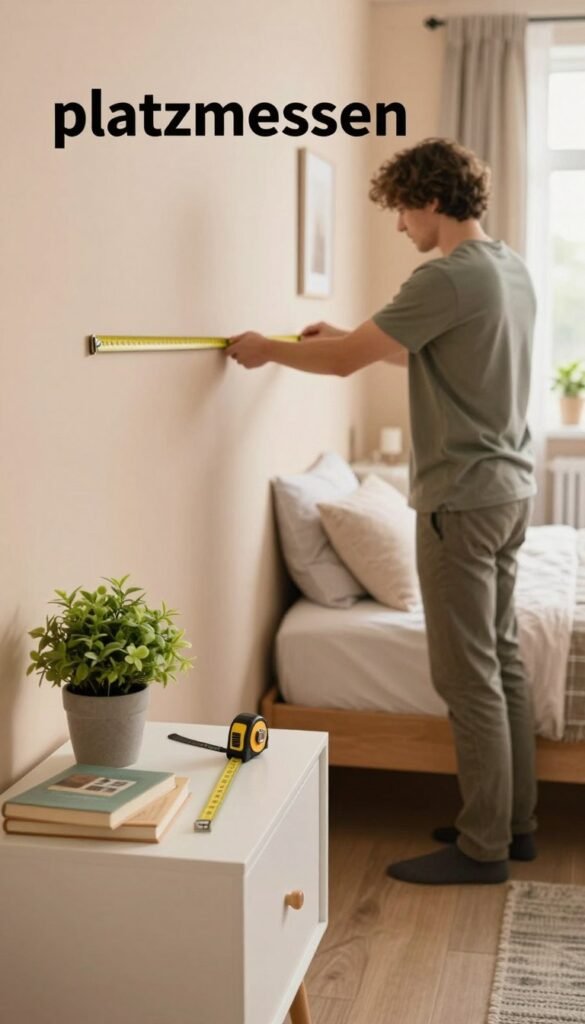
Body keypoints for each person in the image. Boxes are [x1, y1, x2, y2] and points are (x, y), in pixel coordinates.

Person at [226, 137, 538, 885]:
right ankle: (512, 823)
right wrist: (348, 337)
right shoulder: (508, 268)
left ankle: (481, 847)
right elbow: (420, 350)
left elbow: (339, 367)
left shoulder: (445, 276)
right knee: (502, 660)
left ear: (429, 200)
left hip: (459, 501)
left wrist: (265, 348)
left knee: (465, 676)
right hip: (508, 490)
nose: (399, 225)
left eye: (401, 209)